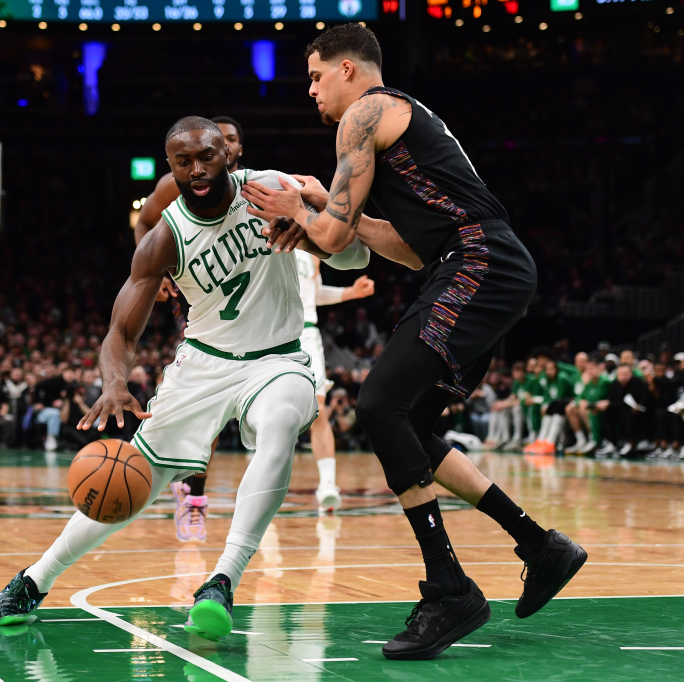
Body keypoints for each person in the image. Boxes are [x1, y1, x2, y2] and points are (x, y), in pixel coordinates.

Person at [242, 24, 586, 659]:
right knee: (413, 427)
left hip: (477, 263)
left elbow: (333, 237)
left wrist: (299, 211)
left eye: (316, 76)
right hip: (483, 264)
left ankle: (450, 590)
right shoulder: (402, 118)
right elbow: (404, 248)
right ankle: (541, 545)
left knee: (379, 404)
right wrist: (321, 208)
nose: (311, 91)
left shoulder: (363, 115)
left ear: (348, 70)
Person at [0, 117, 370, 642]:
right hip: (204, 364)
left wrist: (307, 221)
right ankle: (35, 579)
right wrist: (114, 383)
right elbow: (121, 332)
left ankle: (221, 581)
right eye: (183, 162)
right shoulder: (164, 239)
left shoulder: (272, 189)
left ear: (227, 154)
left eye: (207, 156)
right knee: (127, 478)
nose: (197, 169)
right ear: (170, 168)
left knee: (280, 421)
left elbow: (356, 255)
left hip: (278, 358)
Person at [133, 116, 245, 542]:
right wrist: (160, 270)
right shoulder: (173, 186)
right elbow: (144, 222)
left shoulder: (257, 187)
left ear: (233, 150)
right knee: (207, 402)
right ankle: (194, 494)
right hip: (200, 297)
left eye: (231, 140)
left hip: (251, 303)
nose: (225, 146)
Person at [295, 249, 374, 511]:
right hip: (273, 330)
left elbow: (312, 293)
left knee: (318, 410)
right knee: (272, 413)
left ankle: (327, 485)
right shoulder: (266, 237)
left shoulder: (312, 251)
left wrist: (350, 292)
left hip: (306, 333)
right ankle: (264, 488)